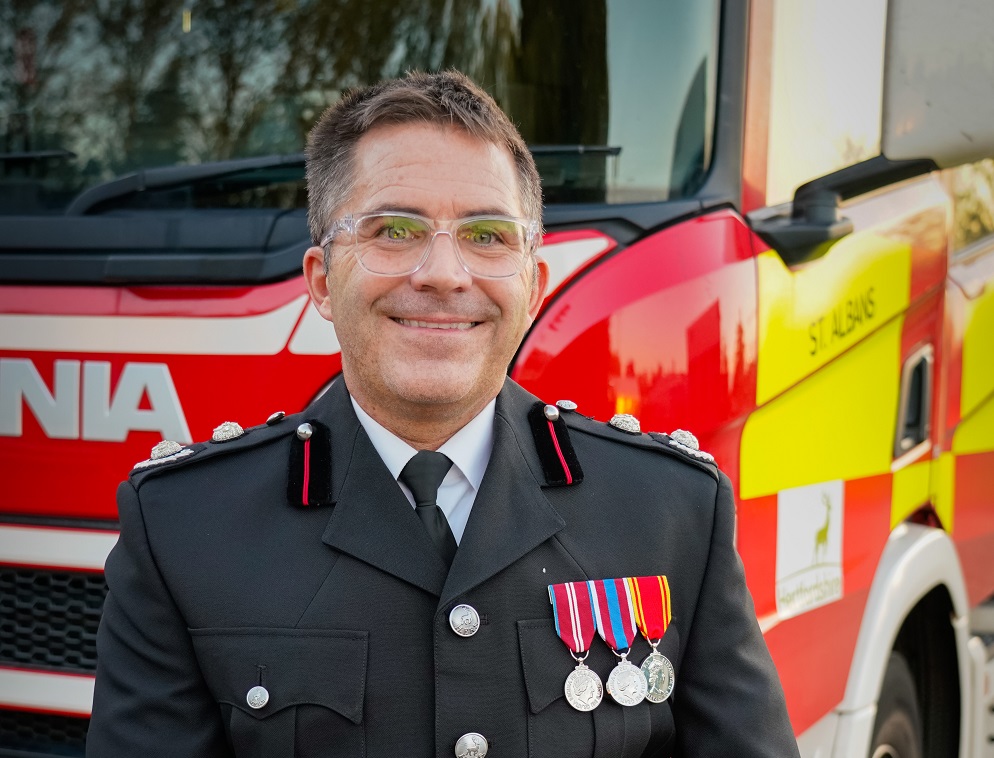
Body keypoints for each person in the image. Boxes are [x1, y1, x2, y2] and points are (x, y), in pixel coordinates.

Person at [87, 70, 800, 757]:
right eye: (394, 230)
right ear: (321, 283)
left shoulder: (671, 509)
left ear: (533, 285)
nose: (442, 273)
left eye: (488, 236)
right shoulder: (186, 528)